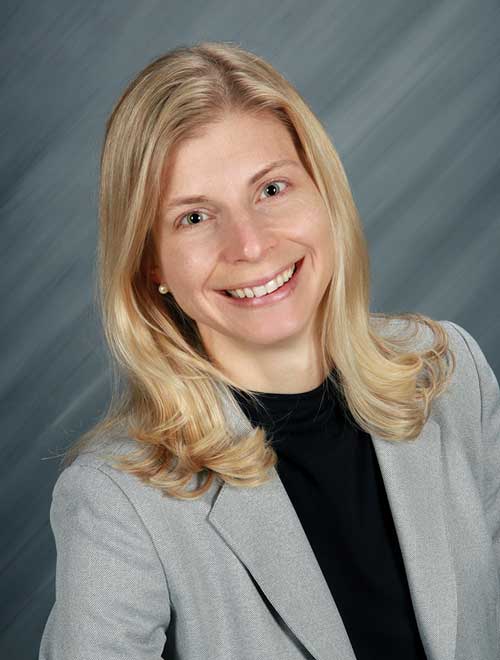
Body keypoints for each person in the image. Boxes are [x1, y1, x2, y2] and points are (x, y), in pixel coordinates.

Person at [38, 41, 499, 660]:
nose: (250, 245)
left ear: (323, 194)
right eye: (195, 218)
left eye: (272, 189)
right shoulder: (119, 500)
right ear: (151, 263)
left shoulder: (450, 376)